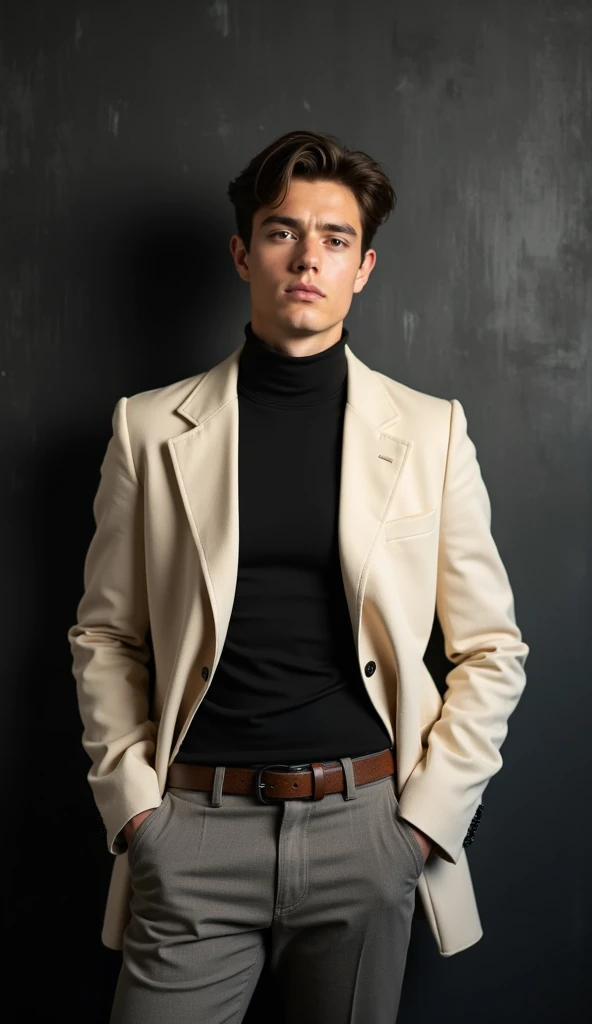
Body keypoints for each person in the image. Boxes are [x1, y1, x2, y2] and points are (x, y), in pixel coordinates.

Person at [68, 128, 529, 1023]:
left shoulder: (431, 432)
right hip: (191, 827)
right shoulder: (150, 429)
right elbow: (106, 633)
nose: (307, 257)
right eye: (282, 232)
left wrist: (425, 821)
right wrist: (134, 808)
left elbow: (491, 647)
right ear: (244, 254)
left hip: (368, 828)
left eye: (335, 238)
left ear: (362, 266)